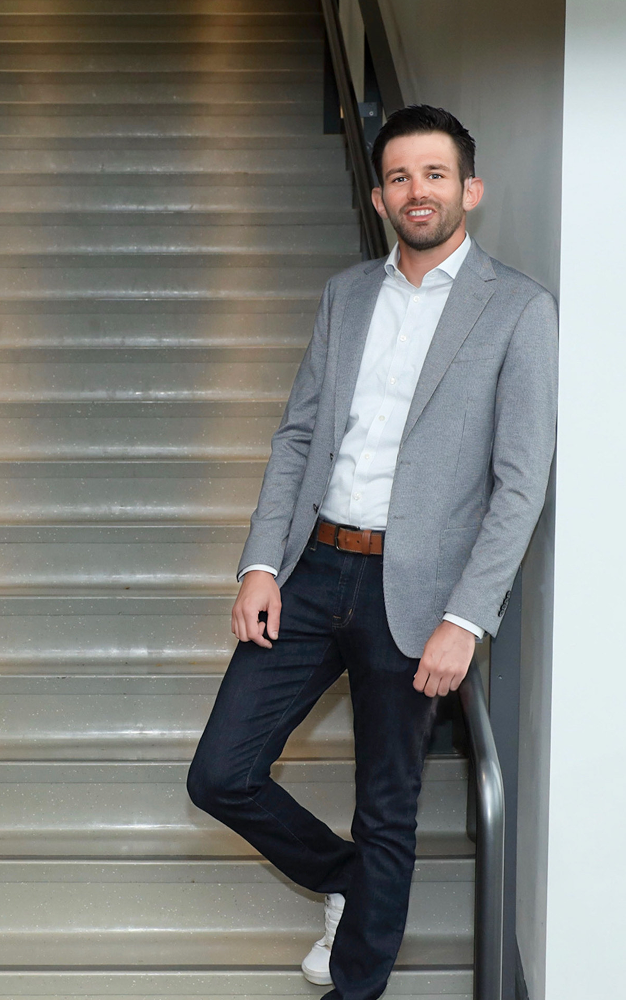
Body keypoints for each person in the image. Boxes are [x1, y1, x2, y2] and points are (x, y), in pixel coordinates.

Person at [186, 106, 557, 1000]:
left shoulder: (518, 309)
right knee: (220, 772)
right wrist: (261, 564)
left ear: (469, 189)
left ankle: (358, 983)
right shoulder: (345, 295)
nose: (416, 191)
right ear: (379, 193)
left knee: (388, 808)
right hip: (316, 568)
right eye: (399, 177)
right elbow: (298, 434)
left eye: (434, 175)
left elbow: (520, 484)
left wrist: (466, 618)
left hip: (420, 592)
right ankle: (349, 881)